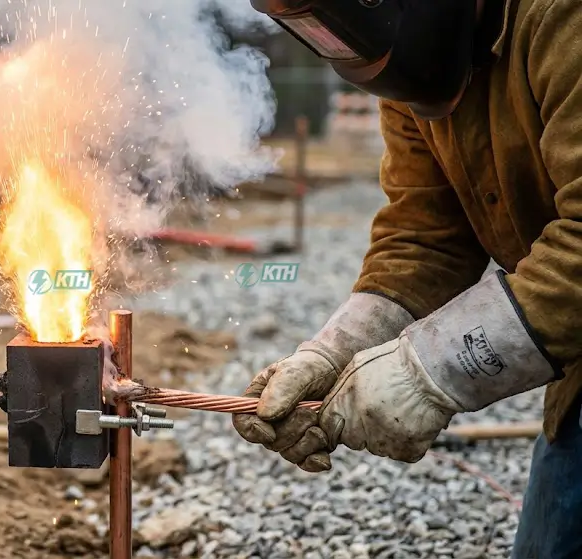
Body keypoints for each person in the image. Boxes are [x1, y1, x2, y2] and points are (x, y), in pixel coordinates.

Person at [235, 0, 582, 556]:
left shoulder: (560, 20)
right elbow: (427, 236)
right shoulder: (411, 68)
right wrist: (332, 356)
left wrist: (431, 371)